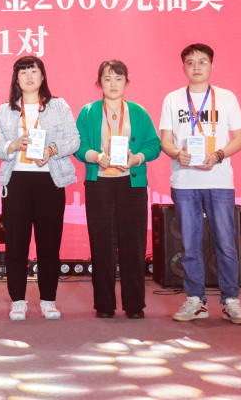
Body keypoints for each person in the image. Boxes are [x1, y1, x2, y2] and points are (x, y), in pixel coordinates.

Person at [159, 43, 241, 325]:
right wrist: (178, 154)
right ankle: (195, 300)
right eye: (190, 62)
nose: (196, 67)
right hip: (185, 181)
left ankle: (231, 301)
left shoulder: (226, 97)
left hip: (218, 180)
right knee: (190, 245)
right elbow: (165, 141)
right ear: (183, 67)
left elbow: (240, 139)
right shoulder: (173, 99)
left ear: (211, 65)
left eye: (202, 61)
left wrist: (219, 155)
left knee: (226, 243)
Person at [0, 56, 80, 321]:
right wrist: (13, 145)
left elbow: (74, 140)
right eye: (23, 72)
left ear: (42, 76)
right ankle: (18, 301)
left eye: (34, 71)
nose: (29, 76)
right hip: (17, 181)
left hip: (50, 181)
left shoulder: (58, 106)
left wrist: (51, 150)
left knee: (49, 245)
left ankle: (48, 300)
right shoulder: (5, 109)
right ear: (16, 79)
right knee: (16, 245)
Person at [75, 60, 161, 319]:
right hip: (99, 184)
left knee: (133, 244)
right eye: (107, 78)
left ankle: (134, 305)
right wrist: (94, 156)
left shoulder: (138, 112)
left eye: (118, 78)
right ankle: (104, 305)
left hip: (131, 185)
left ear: (126, 82)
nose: (113, 83)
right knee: (101, 244)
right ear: (99, 82)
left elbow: (154, 144)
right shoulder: (88, 111)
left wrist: (137, 158)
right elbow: (77, 145)